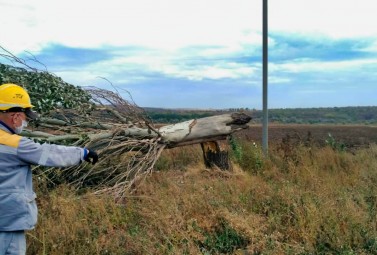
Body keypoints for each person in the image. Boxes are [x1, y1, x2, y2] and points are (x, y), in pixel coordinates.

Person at [0, 83, 99, 255]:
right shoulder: (14, 143)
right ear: (15, 117)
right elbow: (48, 153)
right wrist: (82, 153)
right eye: (25, 117)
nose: (26, 122)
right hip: (7, 220)